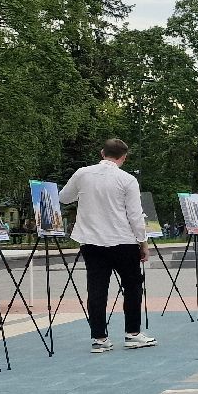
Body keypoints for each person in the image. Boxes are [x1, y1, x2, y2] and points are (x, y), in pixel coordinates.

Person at [58, 138, 155, 353]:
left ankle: (99, 338)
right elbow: (134, 215)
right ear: (124, 157)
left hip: (91, 242)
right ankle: (132, 333)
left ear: (102, 153)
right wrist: (143, 242)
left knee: (96, 289)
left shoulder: (82, 173)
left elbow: (64, 198)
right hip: (123, 241)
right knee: (132, 287)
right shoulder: (127, 179)